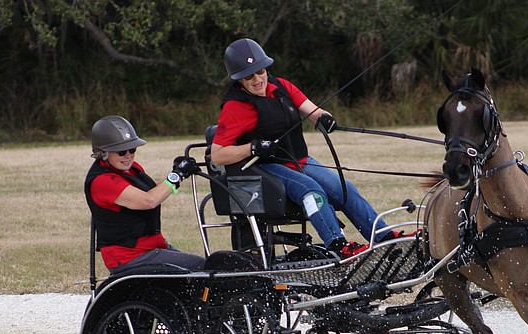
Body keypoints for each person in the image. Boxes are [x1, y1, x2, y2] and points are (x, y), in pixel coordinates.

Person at [210, 38, 395, 259]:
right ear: (239, 79)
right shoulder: (235, 107)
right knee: (311, 191)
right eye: (249, 76)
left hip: (300, 160)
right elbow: (218, 155)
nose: (258, 79)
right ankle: (337, 246)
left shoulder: (281, 87)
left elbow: (312, 110)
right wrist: (252, 147)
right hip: (267, 168)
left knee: (345, 189)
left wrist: (324, 118)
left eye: (260, 71)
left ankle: (386, 239)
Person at [85, 115, 205, 275]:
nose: (128, 155)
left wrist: (176, 174)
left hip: (150, 248)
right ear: (104, 153)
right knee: (201, 267)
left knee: (204, 268)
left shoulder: (132, 168)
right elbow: (149, 201)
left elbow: (153, 192)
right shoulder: (103, 181)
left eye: (132, 149)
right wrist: (177, 175)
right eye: (121, 151)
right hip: (130, 256)